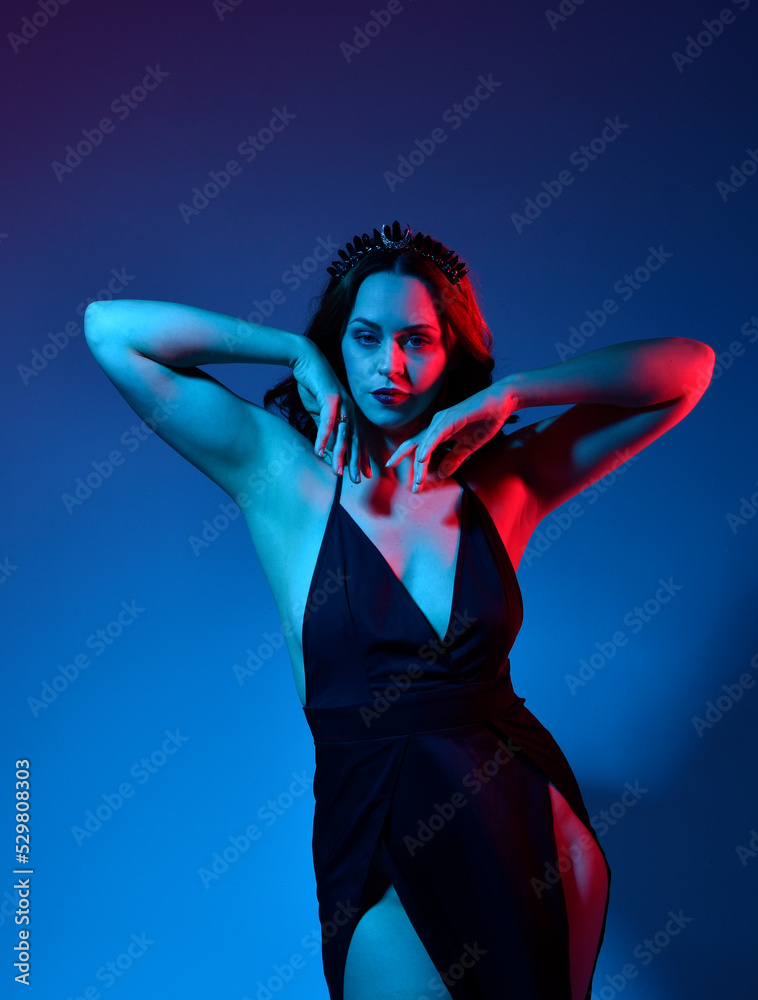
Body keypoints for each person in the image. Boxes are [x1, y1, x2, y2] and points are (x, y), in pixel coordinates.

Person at [83, 220, 715, 1000]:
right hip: (373, 822)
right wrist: (290, 350)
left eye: (419, 340)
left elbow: (689, 369)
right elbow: (110, 330)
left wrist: (516, 392)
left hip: (527, 814)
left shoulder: (503, 483)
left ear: (452, 353)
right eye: (366, 337)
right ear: (338, 345)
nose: (392, 365)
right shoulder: (281, 475)